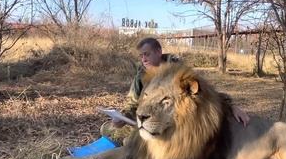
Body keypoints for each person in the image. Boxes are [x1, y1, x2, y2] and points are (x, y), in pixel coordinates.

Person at [100, 37, 250, 145]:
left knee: (130, 141)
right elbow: (132, 102)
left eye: (147, 54)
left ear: (159, 51)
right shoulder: (141, 74)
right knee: (108, 130)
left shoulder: (176, 68)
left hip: (172, 123)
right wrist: (122, 117)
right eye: (141, 56)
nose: (143, 59)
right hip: (146, 118)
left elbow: (201, 93)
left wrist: (230, 106)